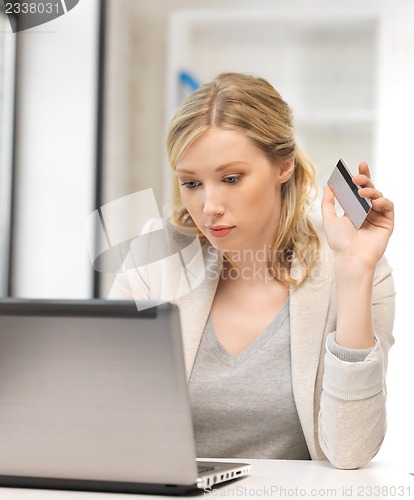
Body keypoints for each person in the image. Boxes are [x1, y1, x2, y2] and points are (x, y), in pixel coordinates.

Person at [109, 72, 395, 469]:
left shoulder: (353, 263)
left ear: (283, 166)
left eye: (230, 178)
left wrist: (356, 272)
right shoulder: (156, 256)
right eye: (191, 183)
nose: (209, 205)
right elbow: (109, 419)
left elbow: (350, 451)